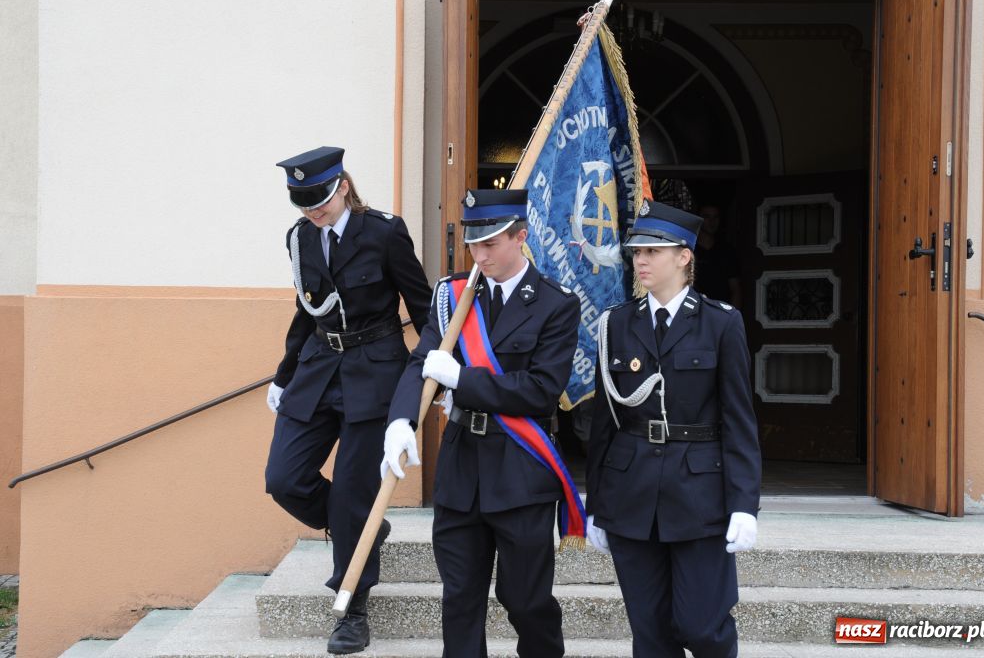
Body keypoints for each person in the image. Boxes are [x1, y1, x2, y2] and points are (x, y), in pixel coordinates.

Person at [381, 188, 582, 658]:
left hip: (520, 471)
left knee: (525, 599)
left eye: (491, 243)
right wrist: (400, 421)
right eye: (474, 243)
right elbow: (421, 363)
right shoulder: (452, 297)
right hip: (461, 468)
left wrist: (463, 380)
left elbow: (539, 391)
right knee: (460, 598)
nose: (480, 254)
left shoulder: (556, 304)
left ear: (521, 237)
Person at [263, 146, 432, 654]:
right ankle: (359, 528)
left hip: (374, 373)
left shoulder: (383, 232)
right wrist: (284, 374)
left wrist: (430, 377)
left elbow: (422, 305)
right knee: (284, 479)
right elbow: (306, 310)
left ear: (341, 186)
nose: (312, 211)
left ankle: (351, 607)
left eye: (319, 199)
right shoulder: (298, 239)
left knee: (354, 493)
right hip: (317, 370)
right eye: (303, 203)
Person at [586, 199, 761, 658]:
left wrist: (744, 504)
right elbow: (605, 424)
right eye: (636, 252)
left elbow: (738, 420)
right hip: (631, 493)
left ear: (684, 256)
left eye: (652, 252)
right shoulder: (615, 324)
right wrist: (596, 505)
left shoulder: (721, 322)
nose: (640, 260)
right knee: (650, 633)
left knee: (703, 627)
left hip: (699, 494)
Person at [693, 203, 742, 309]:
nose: (712, 221)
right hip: (694, 313)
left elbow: (735, 289)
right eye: (707, 217)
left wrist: (732, 320)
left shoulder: (727, 251)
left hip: (721, 312)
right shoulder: (689, 251)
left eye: (716, 217)